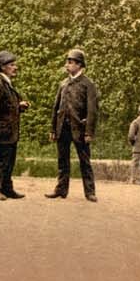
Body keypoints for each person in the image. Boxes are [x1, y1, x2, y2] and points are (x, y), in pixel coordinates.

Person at [46, 48, 99, 202]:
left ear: (79, 65)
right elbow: (56, 108)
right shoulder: (63, 83)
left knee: (85, 161)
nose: (67, 65)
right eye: (67, 62)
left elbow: (92, 110)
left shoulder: (88, 84)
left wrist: (89, 132)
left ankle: (90, 192)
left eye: (70, 62)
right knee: (62, 160)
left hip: (80, 130)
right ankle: (61, 190)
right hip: (63, 129)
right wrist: (53, 129)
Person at [0, 50, 30, 201]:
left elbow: (5, 106)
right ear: (3, 67)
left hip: (10, 131)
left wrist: (19, 106)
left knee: (9, 160)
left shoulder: (5, 83)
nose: (15, 67)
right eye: (12, 65)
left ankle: (7, 189)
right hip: (3, 130)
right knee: (0, 161)